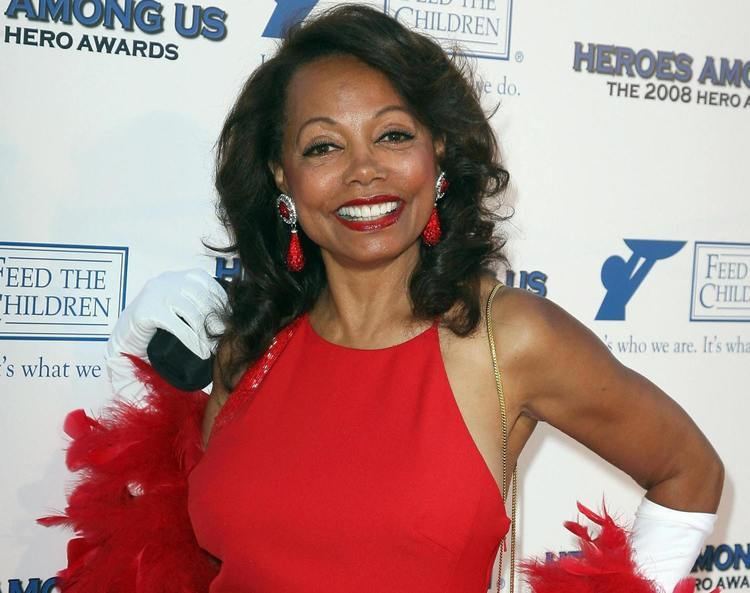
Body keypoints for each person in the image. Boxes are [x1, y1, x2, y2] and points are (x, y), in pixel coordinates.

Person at [43, 5, 723, 593]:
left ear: (438, 151)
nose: (363, 170)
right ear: (284, 176)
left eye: (393, 134)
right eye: (323, 146)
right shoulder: (246, 343)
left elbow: (687, 470)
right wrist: (134, 392)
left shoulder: (506, 337)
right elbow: (176, 545)